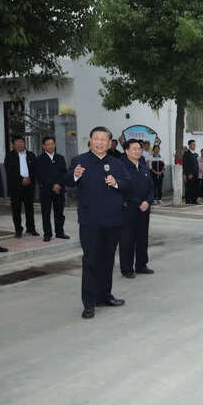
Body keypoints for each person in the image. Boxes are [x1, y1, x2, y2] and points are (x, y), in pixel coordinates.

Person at [65, 126, 130, 319]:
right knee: (91, 260)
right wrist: (75, 174)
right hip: (90, 221)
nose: (100, 142)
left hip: (113, 220)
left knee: (108, 260)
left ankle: (105, 296)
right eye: (96, 138)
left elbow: (128, 183)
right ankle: (89, 303)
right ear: (90, 140)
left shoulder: (117, 163)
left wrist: (116, 183)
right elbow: (67, 181)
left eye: (104, 139)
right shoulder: (80, 161)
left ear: (110, 143)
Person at [119, 139, 154, 278]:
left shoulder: (144, 166)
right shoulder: (121, 167)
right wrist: (138, 202)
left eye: (139, 149)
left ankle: (141, 265)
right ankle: (126, 269)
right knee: (127, 239)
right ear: (126, 151)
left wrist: (148, 201)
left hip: (144, 209)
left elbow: (151, 187)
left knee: (142, 238)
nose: (137, 151)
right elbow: (122, 189)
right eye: (134, 149)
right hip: (129, 208)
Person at [34, 136, 69, 242]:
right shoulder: (39, 159)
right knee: (46, 213)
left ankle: (60, 232)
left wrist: (58, 184)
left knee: (59, 212)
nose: (50, 146)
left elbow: (64, 173)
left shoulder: (60, 158)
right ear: (43, 146)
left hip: (59, 190)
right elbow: (40, 175)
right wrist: (52, 185)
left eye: (52, 144)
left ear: (55, 145)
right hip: (46, 190)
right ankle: (47, 233)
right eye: (48, 144)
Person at [5, 135, 39, 238]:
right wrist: (21, 179)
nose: (19, 144)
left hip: (29, 186)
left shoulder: (31, 155)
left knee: (29, 208)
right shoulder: (9, 156)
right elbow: (10, 172)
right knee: (16, 209)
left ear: (24, 143)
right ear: (13, 145)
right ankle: (18, 230)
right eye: (17, 142)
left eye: (21, 142)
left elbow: (35, 169)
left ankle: (31, 228)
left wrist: (29, 178)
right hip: (16, 187)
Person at [183, 140, 199, 204]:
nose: (194, 146)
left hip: (195, 174)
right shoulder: (187, 154)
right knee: (189, 188)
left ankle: (194, 200)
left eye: (194, 144)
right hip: (190, 174)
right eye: (192, 144)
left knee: (195, 188)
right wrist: (189, 173)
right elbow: (186, 165)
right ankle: (188, 201)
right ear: (189, 145)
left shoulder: (195, 154)